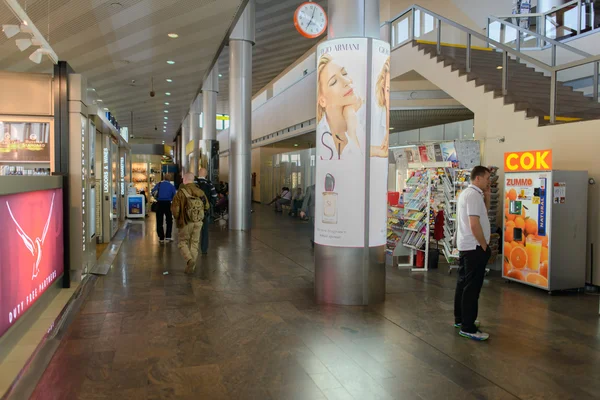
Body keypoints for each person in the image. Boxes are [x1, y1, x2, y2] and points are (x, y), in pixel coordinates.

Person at [454, 166, 492, 341]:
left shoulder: (469, 194)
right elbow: (474, 224)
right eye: (486, 178)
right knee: (472, 288)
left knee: (463, 283)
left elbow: (482, 215)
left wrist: (488, 197)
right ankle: (468, 327)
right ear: (477, 178)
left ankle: (461, 319)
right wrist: (484, 245)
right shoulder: (473, 196)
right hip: (475, 247)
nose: (488, 182)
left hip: (467, 246)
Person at [317, 53, 364, 161]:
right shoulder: (320, 135)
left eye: (345, 73)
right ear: (322, 100)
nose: (347, 81)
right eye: (334, 82)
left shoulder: (366, 122)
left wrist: (350, 116)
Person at [171, 173, 210, 274]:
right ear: (193, 180)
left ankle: (189, 260)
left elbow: (176, 211)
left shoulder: (180, 193)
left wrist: (178, 219)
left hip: (185, 222)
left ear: (184, 180)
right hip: (198, 221)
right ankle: (191, 266)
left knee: (182, 243)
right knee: (194, 243)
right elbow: (207, 206)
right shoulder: (200, 191)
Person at [195, 168, 218, 255]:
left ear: (198, 173)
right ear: (206, 174)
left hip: (194, 210)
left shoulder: (194, 183)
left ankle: (193, 248)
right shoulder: (209, 183)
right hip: (205, 210)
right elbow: (214, 195)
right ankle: (204, 249)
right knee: (205, 230)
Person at [151, 177, 176, 243]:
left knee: (159, 220)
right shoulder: (171, 186)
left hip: (159, 204)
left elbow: (153, 192)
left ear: (163, 179)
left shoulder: (158, 184)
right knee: (169, 220)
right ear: (169, 180)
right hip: (168, 204)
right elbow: (175, 195)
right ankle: (168, 236)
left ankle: (161, 237)